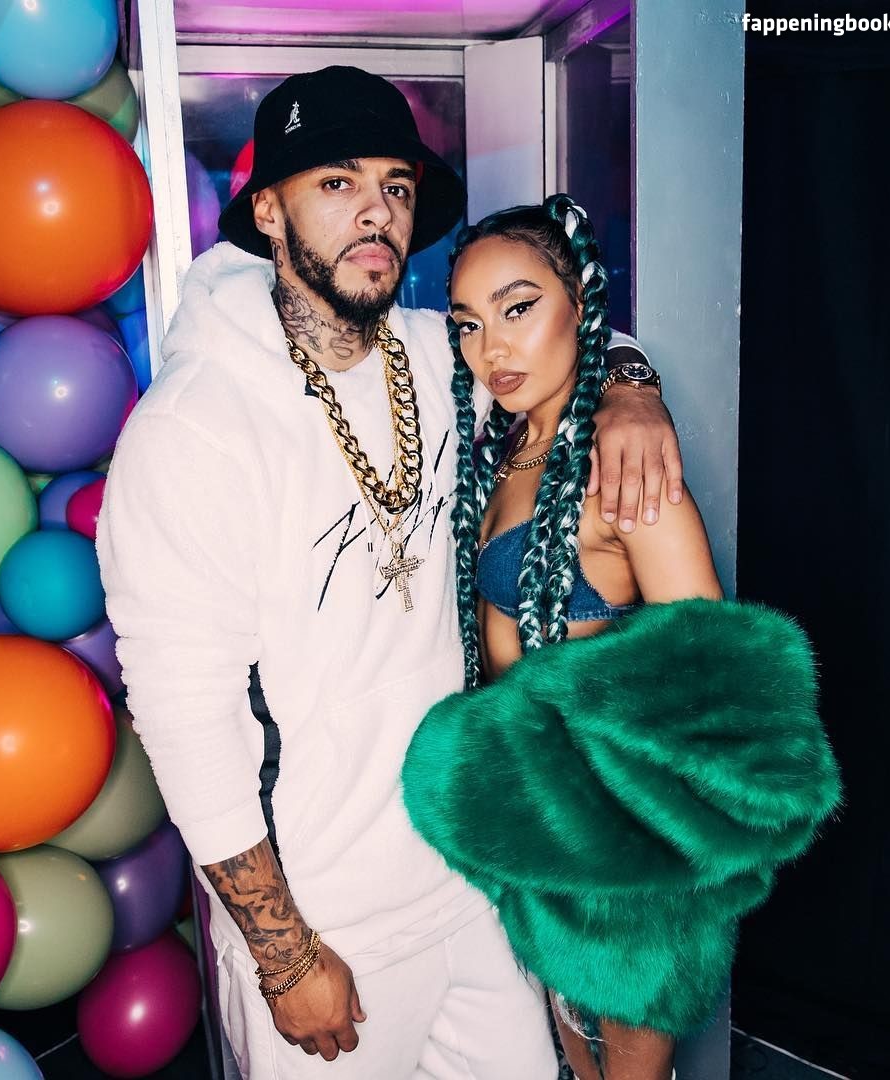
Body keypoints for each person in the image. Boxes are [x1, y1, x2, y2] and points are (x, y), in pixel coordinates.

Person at [97, 68, 683, 1080]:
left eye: (397, 186)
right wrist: (283, 953)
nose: (377, 211)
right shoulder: (192, 430)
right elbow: (183, 710)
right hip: (328, 919)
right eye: (337, 183)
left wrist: (631, 387)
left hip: (472, 879)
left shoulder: (442, 356)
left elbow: (561, 342)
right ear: (268, 211)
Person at [401, 196, 842, 1080]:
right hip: (538, 828)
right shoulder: (507, 446)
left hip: (619, 856)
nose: (492, 348)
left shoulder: (622, 469)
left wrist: (634, 836)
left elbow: (721, 686)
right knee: (571, 1061)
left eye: (519, 308)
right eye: (469, 323)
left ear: (579, 304)